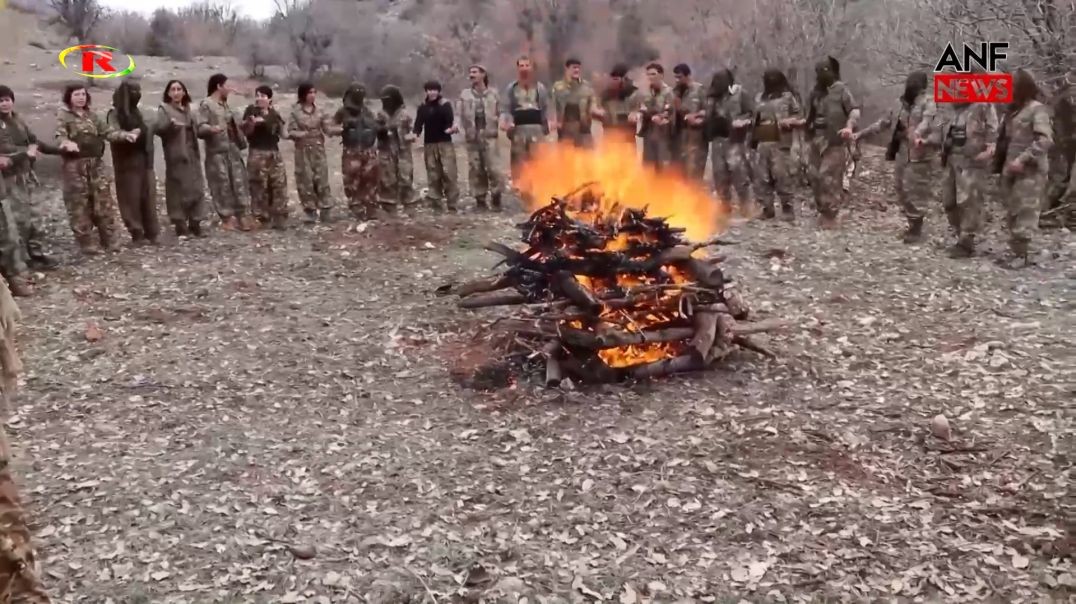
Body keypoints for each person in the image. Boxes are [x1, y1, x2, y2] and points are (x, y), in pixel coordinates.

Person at [54, 83, 134, 255]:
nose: (81, 97)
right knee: (79, 204)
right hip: (74, 166)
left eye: (83, 94)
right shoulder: (64, 116)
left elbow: (107, 133)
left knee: (103, 201)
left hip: (95, 164)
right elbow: (59, 135)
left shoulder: (93, 116)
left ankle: (111, 240)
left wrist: (125, 135)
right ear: (69, 97)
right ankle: (87, 243)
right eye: (76, 94)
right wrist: (66, 143)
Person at [994, 69, 1053, 268]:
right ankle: (1016, 252)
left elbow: (1044, 140)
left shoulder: (1037, 110)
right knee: (1013, 210)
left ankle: (1022, 255)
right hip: (1011, 169)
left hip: (1030, 171)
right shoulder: (1013, 110)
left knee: (1025, 212)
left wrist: (1023, 159)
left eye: (1012, 86)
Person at [0, 85, 59, 270]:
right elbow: (4, 158)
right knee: (17, 220)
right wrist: (27, 153)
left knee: (35, 217)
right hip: (10, 179)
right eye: (0, 100)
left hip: (27, 175)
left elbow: (32, 139)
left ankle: (36, 253)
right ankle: (20, 260)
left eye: (7, 99)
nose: (4, 104)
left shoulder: (17, 119)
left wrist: (53, 150)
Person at [938, 98, 997, 257]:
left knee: (969, 201)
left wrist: (990, 149)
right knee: (949, 201)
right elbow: (943, 129)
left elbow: (993, 130)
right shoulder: (952, 107)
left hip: (972, 161)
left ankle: (966, 241)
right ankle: (960, 235)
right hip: (951, 159)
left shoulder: (983, 105)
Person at [805, 56, 860, 229]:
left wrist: (849, 127)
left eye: (826, 70)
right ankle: (823, 211)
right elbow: (808, 117)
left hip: (834, 141)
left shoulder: (842, 90)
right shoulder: (815, 93)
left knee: (828, 176)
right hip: (816, 141)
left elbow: (854, 111)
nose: (822, 74)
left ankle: (832, 214)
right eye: (819, 71)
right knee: (814, 176)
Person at [106, 78, 159, 245]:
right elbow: (111, 133)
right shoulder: (114, 114)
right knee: (130, 198)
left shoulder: (138, 112)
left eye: (138, 91)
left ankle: (152, 232)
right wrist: (126, 135)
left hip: (143, 159)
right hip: (126, 162)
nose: (137, 94)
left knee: (148, 197)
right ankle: (136, 232)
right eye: (133, 92)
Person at [198, 73, 253, 231]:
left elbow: (233, 125)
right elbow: (200, 127)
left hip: (232, 149)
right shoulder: (207, 104)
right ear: (219, 86)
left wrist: (246, 124)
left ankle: (242, 215)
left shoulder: (226, 105)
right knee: (221, 184)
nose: (230, 89)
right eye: (227, 86)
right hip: (217, 151)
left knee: (239, 182)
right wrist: (211, 129)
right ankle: (227, 218)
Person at [155, 79, 208, 237]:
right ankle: (180, 223)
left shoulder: (190, 111)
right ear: (168, 93)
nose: (176, 92)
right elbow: (160, 130)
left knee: (196, 187)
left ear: (184, 92)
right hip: (176, 154)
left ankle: (195, 222)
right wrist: (170, 126)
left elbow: (197, 130)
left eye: (179, 89)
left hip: (192, 153)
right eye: (173, 89)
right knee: (178, 189)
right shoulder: (164, 109)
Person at [751, 68, 802, 220]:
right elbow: (755, 118)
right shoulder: (759, 97)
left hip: (780, 141)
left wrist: (789, 121)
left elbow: (800, 116)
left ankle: (787, 208)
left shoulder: (788, 97)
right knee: (762, 176)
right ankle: (767, 208)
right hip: (763, 139)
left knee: (781, 175)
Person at [705, 68, 755, 213]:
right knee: (719, 175)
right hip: (717, 140)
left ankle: (745, 206)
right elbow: (707, 117)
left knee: (739, 174)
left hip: (735, 141)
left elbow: (753, 114)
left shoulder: (740, 94)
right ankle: (724, 205)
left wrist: (742, 122)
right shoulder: (712, 97)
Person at [241, 85, 289, 229]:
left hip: (273, 153)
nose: (260, 98)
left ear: (270, 99)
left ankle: (279, 216)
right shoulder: (251, 111)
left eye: (263, 96)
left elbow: (282, 132)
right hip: (257, 152)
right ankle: (260, 216)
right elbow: (246, 132)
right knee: (258, 185)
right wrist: (252, 124)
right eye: (258, 95)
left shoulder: (274, 114)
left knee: (278, 184)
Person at [287, 82, 335, 224]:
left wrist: (340, 130)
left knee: (322, 179)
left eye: (314, 92)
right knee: (305, 180)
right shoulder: (295, 112)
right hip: (302, 150)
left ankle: (326, 210)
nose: (312, 95)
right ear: (303, 94)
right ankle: (310, 212)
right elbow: (290, 131)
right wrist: (299, 134)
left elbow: (327, 129)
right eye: (309, 93)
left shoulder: (320, 110)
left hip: (318, 149)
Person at [458, 65, 504, 211]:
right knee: (476, 169)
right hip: (473, 136)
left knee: (494, 169)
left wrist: (502, 122)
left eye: (475, 72)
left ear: (483, 74)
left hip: (490, 136)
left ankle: (496, 198)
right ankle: (480, 201)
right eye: (470, 72)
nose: (471, 75)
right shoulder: (465, 95)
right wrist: (459, 129)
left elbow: (502, 112)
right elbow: (459, 115)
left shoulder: (493, 94)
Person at [333, 83, 380, 221]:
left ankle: (371, 207)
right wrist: (344, 128)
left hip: (368, 150)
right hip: (351, 150)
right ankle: (356, 207)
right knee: (352, 180)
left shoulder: (367, 111)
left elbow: (374, 128)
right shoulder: (342, 111)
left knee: (370, 179)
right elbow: (331, 128)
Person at [500, 55, 550, 184]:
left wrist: (547, 126)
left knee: (538, 158)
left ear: (532, 68)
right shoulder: (511, 88)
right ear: (517, 68)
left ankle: (539, 186)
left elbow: (545, 108)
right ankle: (520, 187)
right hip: (519, 129)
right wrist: (507, 122)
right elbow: (506, 108)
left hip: (536, 129)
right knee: (519, 160)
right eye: (521, 66)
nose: (524, 68)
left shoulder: (540, 88)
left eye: (527, 65)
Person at [414, 80, 460, 213]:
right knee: (433, 175)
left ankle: (452, 205)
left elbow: (450, 122)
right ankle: (436, 205)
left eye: (434, 89)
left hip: (445, 144)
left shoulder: (445, 105)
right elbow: (418, 124)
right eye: (429, 89)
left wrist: (452, 129)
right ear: (426, 91)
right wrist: (414, 135)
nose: (432, 92)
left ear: (438, 91)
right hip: (429, 145)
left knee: (449, 174)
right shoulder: (423, 107)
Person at [375, 84, 416, 214]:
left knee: (405, 177)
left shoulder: (405, 114)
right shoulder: (380, 115)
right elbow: (375, 131)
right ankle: (389, 207)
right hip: (386, 150)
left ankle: (409, 205)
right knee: (387, 179)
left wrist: (412, 135)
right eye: (384, 99)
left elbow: (414, 130)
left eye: (389, 99)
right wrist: (382, 130)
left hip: (403, 150)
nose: (387, 102)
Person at [1044, 68, 1075, 227]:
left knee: (1063, 177)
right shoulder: (1065, 95)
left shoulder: (1061, 94)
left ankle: (1049, 212)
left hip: (1063, 140)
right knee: (1063, 177)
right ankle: (1053, 213)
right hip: (1065, 141)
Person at [631, 62, 674, 169]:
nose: (650, 77)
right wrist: (636, 114)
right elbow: (636, 107)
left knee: (663, 168)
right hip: (648, 134)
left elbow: (671, 112)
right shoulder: (644, 92)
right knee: (648, 167)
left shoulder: (669, 92)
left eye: (653, 74)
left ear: (661, 75)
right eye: (648, 74)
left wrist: (662, 117)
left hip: (664, 136)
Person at [551, 57, 599, 147]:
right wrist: (554, 122)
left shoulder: (587, 87)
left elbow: (593, 104)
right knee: (567, 159)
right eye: (574, 67)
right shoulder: (558, 88)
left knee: (587, 159)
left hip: (584, 131)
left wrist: (596, 111)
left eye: (578, 68)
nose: (576, 70)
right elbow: (553, 106)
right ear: (567, 69)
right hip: (566, 131)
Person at [671, 63, 708, 180]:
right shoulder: (673, 92)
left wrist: (697, 117)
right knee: (679, 174)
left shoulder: (699, 90)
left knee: (695, 173)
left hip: (696, 138)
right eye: (675, 77)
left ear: (688, 76)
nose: (677, 80)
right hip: (678, 137)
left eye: (680, 77)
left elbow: (708, 111)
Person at [598, 64, 638, 140]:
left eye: (617, 78)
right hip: (609, 134)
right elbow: (599, 109)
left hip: (627, 135)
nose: (614, 81)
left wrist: (636, 113)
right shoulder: (605, 94)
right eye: (613, 78)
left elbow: (639, 109)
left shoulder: (634, 93)